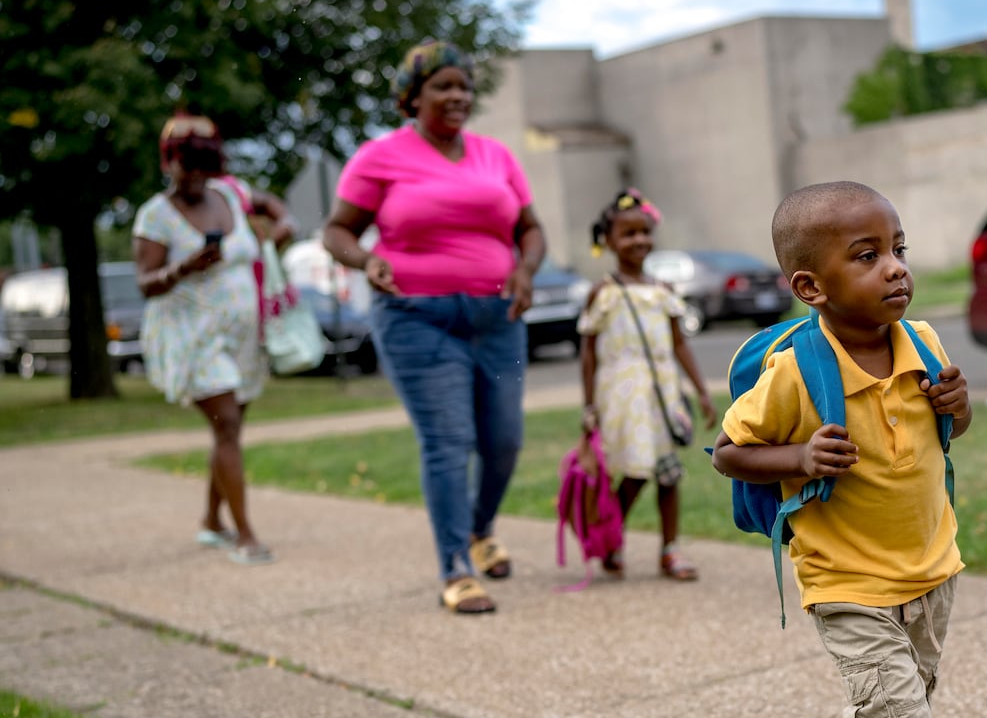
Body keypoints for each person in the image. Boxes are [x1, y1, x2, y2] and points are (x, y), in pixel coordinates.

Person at [712, 181, 973, 718]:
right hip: (846, 579)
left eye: (898, 248)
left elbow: (948, 434)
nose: (895, 267)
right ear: (811, 288)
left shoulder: (925, 344)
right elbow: (727, 453)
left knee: (895, 709)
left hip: (930, 565)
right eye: (867, 256)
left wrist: (957, 409)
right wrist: (798, 457)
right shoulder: (797, 373)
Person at [322, 40, 546, 615]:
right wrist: (364, 260)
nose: (457, 96)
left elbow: (530, 229)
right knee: (448, 442)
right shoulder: (379, 157)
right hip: (417, 319)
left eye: (464, 87)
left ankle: (479, 528)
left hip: (498, 317)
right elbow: (338, 231)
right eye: (443, 86)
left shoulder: (496, 156)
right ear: (412, 96)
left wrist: (524, 268)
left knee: (503, 441)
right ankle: (455, 567)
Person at [133, 113, 296, 566]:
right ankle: (245, 536)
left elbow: (275, 207)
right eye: (189, 164)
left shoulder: (230, 194)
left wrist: (284, 226)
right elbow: (145, 282)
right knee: (226, 425)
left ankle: (210, 521)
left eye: (206, 164)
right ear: (169, 163)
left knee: (230, 430)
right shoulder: (155, 216)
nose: (198, 175)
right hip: (192, 336)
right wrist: (186, 266)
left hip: (241, 335)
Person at [577, 189, 716, 581]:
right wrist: (588, 406)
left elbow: (679, 343)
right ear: (607, 241)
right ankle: (610, 538)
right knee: (636, 472)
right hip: (623, 398)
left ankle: (670, 549)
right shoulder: (602, 293)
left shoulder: (662, 291)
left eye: (644, 232)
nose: (638, 241)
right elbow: (587, 353)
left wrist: (701, 392)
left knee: (669, 473)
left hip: (662, 395)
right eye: (628, 234)